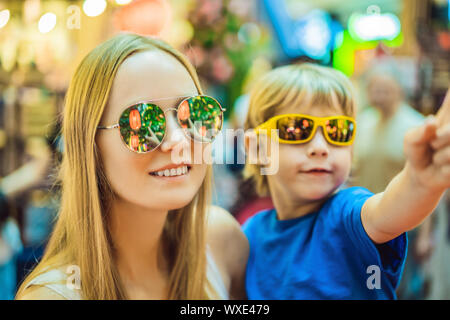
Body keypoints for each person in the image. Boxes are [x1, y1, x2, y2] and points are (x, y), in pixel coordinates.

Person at [15, 33, 248, 300]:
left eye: (194, 113)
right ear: (91, 145)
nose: (177, 139)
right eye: (141, 123)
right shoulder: (52, 296)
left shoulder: (222, 244)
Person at [242, 63, 450, 299]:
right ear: (257, 147)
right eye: (296, 129)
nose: (320, 148)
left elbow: (387, 211)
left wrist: (420, 180)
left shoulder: (345, 214)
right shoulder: (250, 234)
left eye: (337, 130)